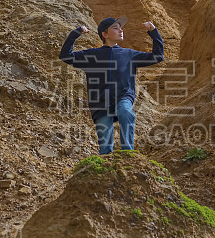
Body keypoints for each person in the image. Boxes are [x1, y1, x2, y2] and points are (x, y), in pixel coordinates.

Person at [59, 16, 164, 154]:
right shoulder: (92, 55)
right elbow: (65, 55)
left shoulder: (129, 54)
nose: (120, 30)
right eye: (115, 27)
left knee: (125, 111)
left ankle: (128, 153)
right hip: (100, 104)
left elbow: (157, 56)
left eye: (121, 27)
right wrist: (76, 33)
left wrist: (154, 32)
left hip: (123, 96)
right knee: (105, 149)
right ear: (105, 34)